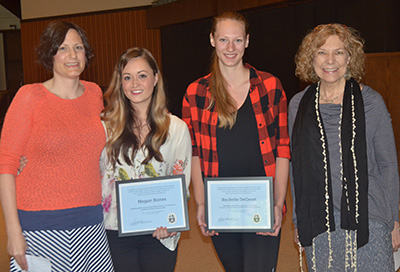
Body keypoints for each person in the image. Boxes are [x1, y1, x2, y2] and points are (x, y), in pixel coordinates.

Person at [0, 21, 114, 271]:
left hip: (90, 223)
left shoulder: (95, 94)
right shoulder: (30, 97)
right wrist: (13, 231)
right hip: (40, 226)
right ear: (49, 55)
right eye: (63, 48)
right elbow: (6, 165)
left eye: (78, 47)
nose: (73, 55)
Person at [182, 11, 290, 272]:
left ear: (247, 41)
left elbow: (283, 150)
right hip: (222, 208)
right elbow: (194, 153)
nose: (230, 48)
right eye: (223, 40)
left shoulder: (270, 86)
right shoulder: (195, 92)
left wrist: (277, 204)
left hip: (261, 206)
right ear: (212, 40)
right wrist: (201, 203)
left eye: (237, 40)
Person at [289, 23, 400, 271]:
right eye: (321, 52)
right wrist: (298, 219)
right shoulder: (298, 105)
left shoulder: (371, 102)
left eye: (338, 52)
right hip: (317, 219)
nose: (330, 60)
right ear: (311, 58)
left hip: (370, 217)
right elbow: (297, 168)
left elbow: (388, 164)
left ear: (350, 57)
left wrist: (395, 221)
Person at [101, 47, 191, 271]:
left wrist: (173, 222)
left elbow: (181, 180)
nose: (135, 84)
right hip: (114, 230)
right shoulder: (104, 127)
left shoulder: (177, 128)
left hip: (159, 233)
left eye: (142, 75)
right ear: (120, 83)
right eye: (127, 78)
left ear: (155, 78)